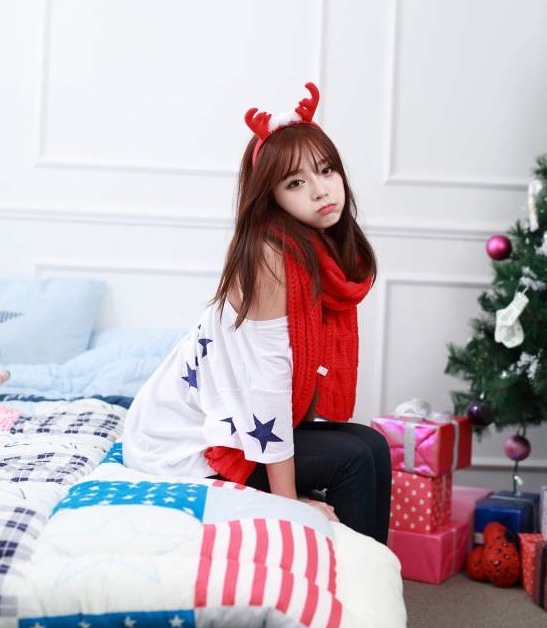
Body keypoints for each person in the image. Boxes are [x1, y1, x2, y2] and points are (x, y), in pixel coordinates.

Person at [122, 82, 391, 543]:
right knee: (355, 457)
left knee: (370, 444)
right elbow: (268, 386)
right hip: (185, 443)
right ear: (272, 196)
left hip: (234, 423)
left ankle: (364, 567)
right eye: (295, 183)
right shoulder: (269, 256)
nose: (320, 191)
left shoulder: (319, 249)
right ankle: (345, 570)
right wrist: (288, 503)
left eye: (325, 170)